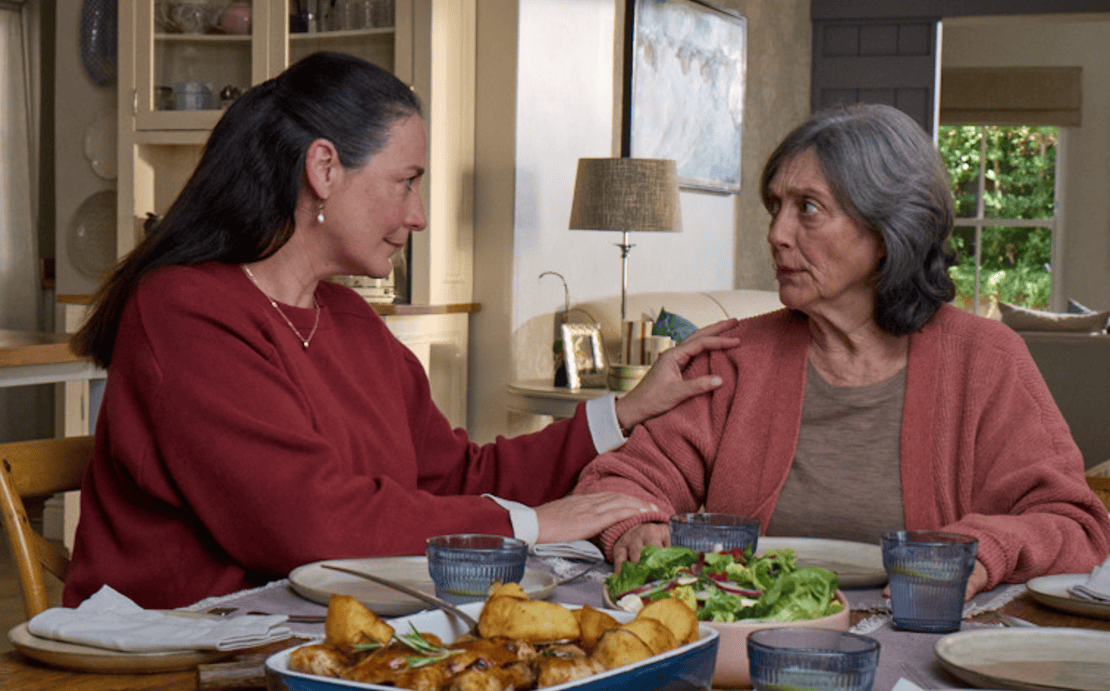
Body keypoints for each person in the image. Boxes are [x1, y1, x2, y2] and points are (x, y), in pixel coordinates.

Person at [63, 52, 738, 610]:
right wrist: (527, 525)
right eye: (406, 182)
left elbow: (456, 475)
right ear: (324, 169)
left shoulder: (351, 318)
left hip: (311, 635)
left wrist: (624, 411)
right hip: (176, 652)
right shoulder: (185, 310)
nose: (418, 215)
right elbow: (310, 524)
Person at [574, 103, 1110, 599]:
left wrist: (984, 552)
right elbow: (623, 477)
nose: (777, 234)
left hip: (923, 635)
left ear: (888, 228)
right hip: (752, 629)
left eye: (808, 208)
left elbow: (1075, 524)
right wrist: (638, 524)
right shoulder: (734, 356)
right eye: (775, 207)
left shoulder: (986, 359)